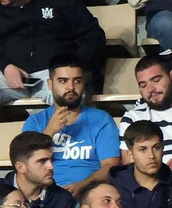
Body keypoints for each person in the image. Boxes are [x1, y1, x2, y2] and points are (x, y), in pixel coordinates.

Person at [20, 57, 121, 193]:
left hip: (89, 192)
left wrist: (82, 186)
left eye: (77, 81)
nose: (71, 87)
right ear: (50, 84)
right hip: (45, 193)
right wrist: (48, 132)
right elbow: (25, 165)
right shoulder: (36, 122)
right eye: (63, 81)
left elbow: (110, 165)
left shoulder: (101, 119)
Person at [111, 122, 172, 208]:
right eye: (142, 149)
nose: (151, 156)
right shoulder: (114, 185)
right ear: (131, 154)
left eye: (156, 147)